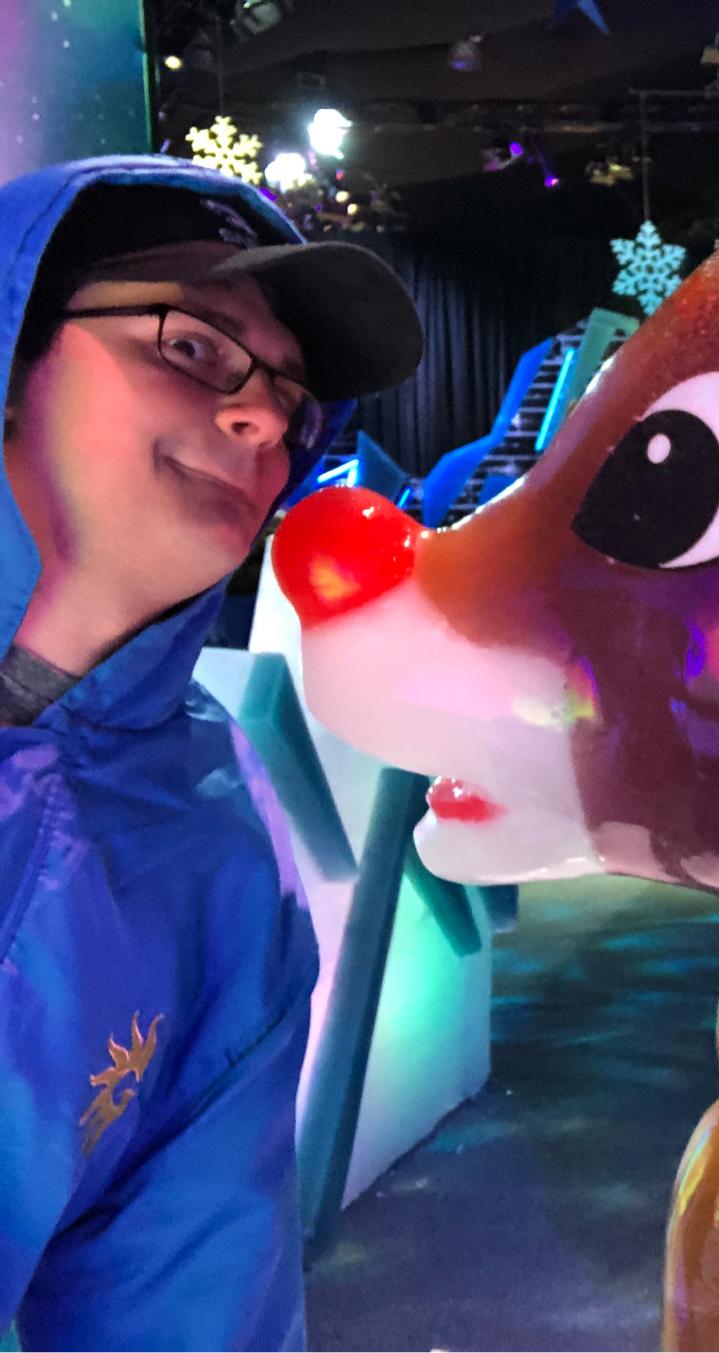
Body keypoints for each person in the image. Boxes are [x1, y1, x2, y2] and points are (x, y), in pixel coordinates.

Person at [0, 157, 420, 1347]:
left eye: (292, 397)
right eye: (191, 346)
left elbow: (190, 1303)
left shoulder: (215, 841)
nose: (263, 421)